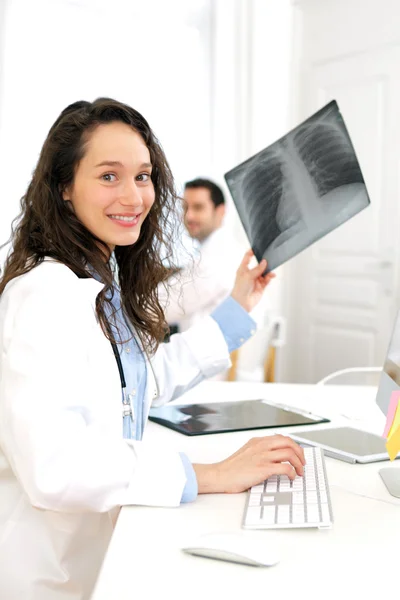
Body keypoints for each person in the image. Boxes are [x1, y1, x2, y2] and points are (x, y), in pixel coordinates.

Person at [0, 98, 305, 600]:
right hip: (45, 576)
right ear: (64, 188)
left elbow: (138, 379)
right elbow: (53, 467)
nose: (133, 195)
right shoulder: (45, 295)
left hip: (101, 550)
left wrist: (239, 305)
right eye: (108, 176)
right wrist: (209, 475)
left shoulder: (100, 276)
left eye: (143, 176)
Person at [159, 178, 242, 332]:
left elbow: (167, 307)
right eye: (185, 208)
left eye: (198, 208)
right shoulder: (211, 251)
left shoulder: (219, 257)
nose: (189, 216)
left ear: (220, 211)